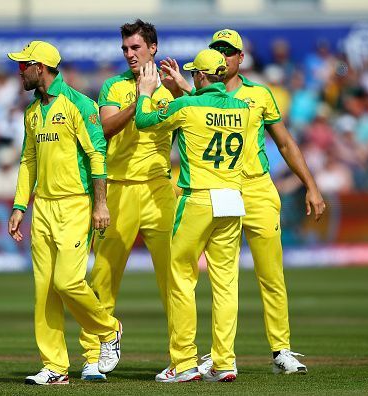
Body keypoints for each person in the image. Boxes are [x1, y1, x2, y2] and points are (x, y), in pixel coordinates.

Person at [161, 28, 326, 375]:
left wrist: (311, 185)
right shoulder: (203, 94)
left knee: (271, 273)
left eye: (229, 50)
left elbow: (284, 143)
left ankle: (281, 349)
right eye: (216, 49)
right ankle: (222, 358)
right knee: (223, 277)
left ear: (240, 57)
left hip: (258, 188)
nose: (222, 55)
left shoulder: (260, 94)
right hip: (222, 191)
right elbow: (198, 110)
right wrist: (181, 88)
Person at [6, 41, 122, 386]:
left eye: (23, 64)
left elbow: (97, 155)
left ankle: (109, 329)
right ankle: (55, 367)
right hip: (42, 206)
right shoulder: (31, 111)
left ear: (40, 67)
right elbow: (28, 161)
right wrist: (19, 206)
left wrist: (100, 204)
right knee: (44, 290)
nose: (19, 70)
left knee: (67, 282)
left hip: (75, 203)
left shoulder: (78, 104)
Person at [136, 49, 249, 382]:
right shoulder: (243, 109)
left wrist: (145, 95)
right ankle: (224, 362)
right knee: (227, 284)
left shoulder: (187, 106)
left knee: (182, 280)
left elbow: (144, 122)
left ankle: (184, 363)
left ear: (200, 76)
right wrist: (187, 88)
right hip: (232, 199)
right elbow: (211, 108)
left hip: (198, 199)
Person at [78, 19, 177, 381]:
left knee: (175, 278)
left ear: (153, 48)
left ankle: (182, 357)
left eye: (135, 48)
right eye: (125, 48)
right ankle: (94, 352)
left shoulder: (171, 88)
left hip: (159, 189)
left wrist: (179, 88)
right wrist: (141, 98)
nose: (129, 54)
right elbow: (103, 129)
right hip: (117, 189)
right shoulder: (114, 86)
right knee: (102, 278)